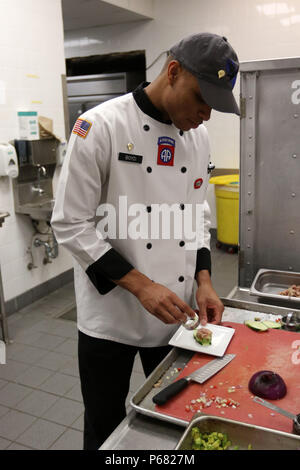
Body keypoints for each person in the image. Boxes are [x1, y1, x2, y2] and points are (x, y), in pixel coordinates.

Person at [51, 32, 240, 450]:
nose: (206, 114)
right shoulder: (99, 126)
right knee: (103, 424)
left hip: (177, 312)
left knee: (177, 420)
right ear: (172, 72)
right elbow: (70, 223)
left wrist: (204, 279)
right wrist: (141, 285)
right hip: (110, 317)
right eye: (201, 99)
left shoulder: (198, 138)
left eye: (215, 105)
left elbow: (197, 215)